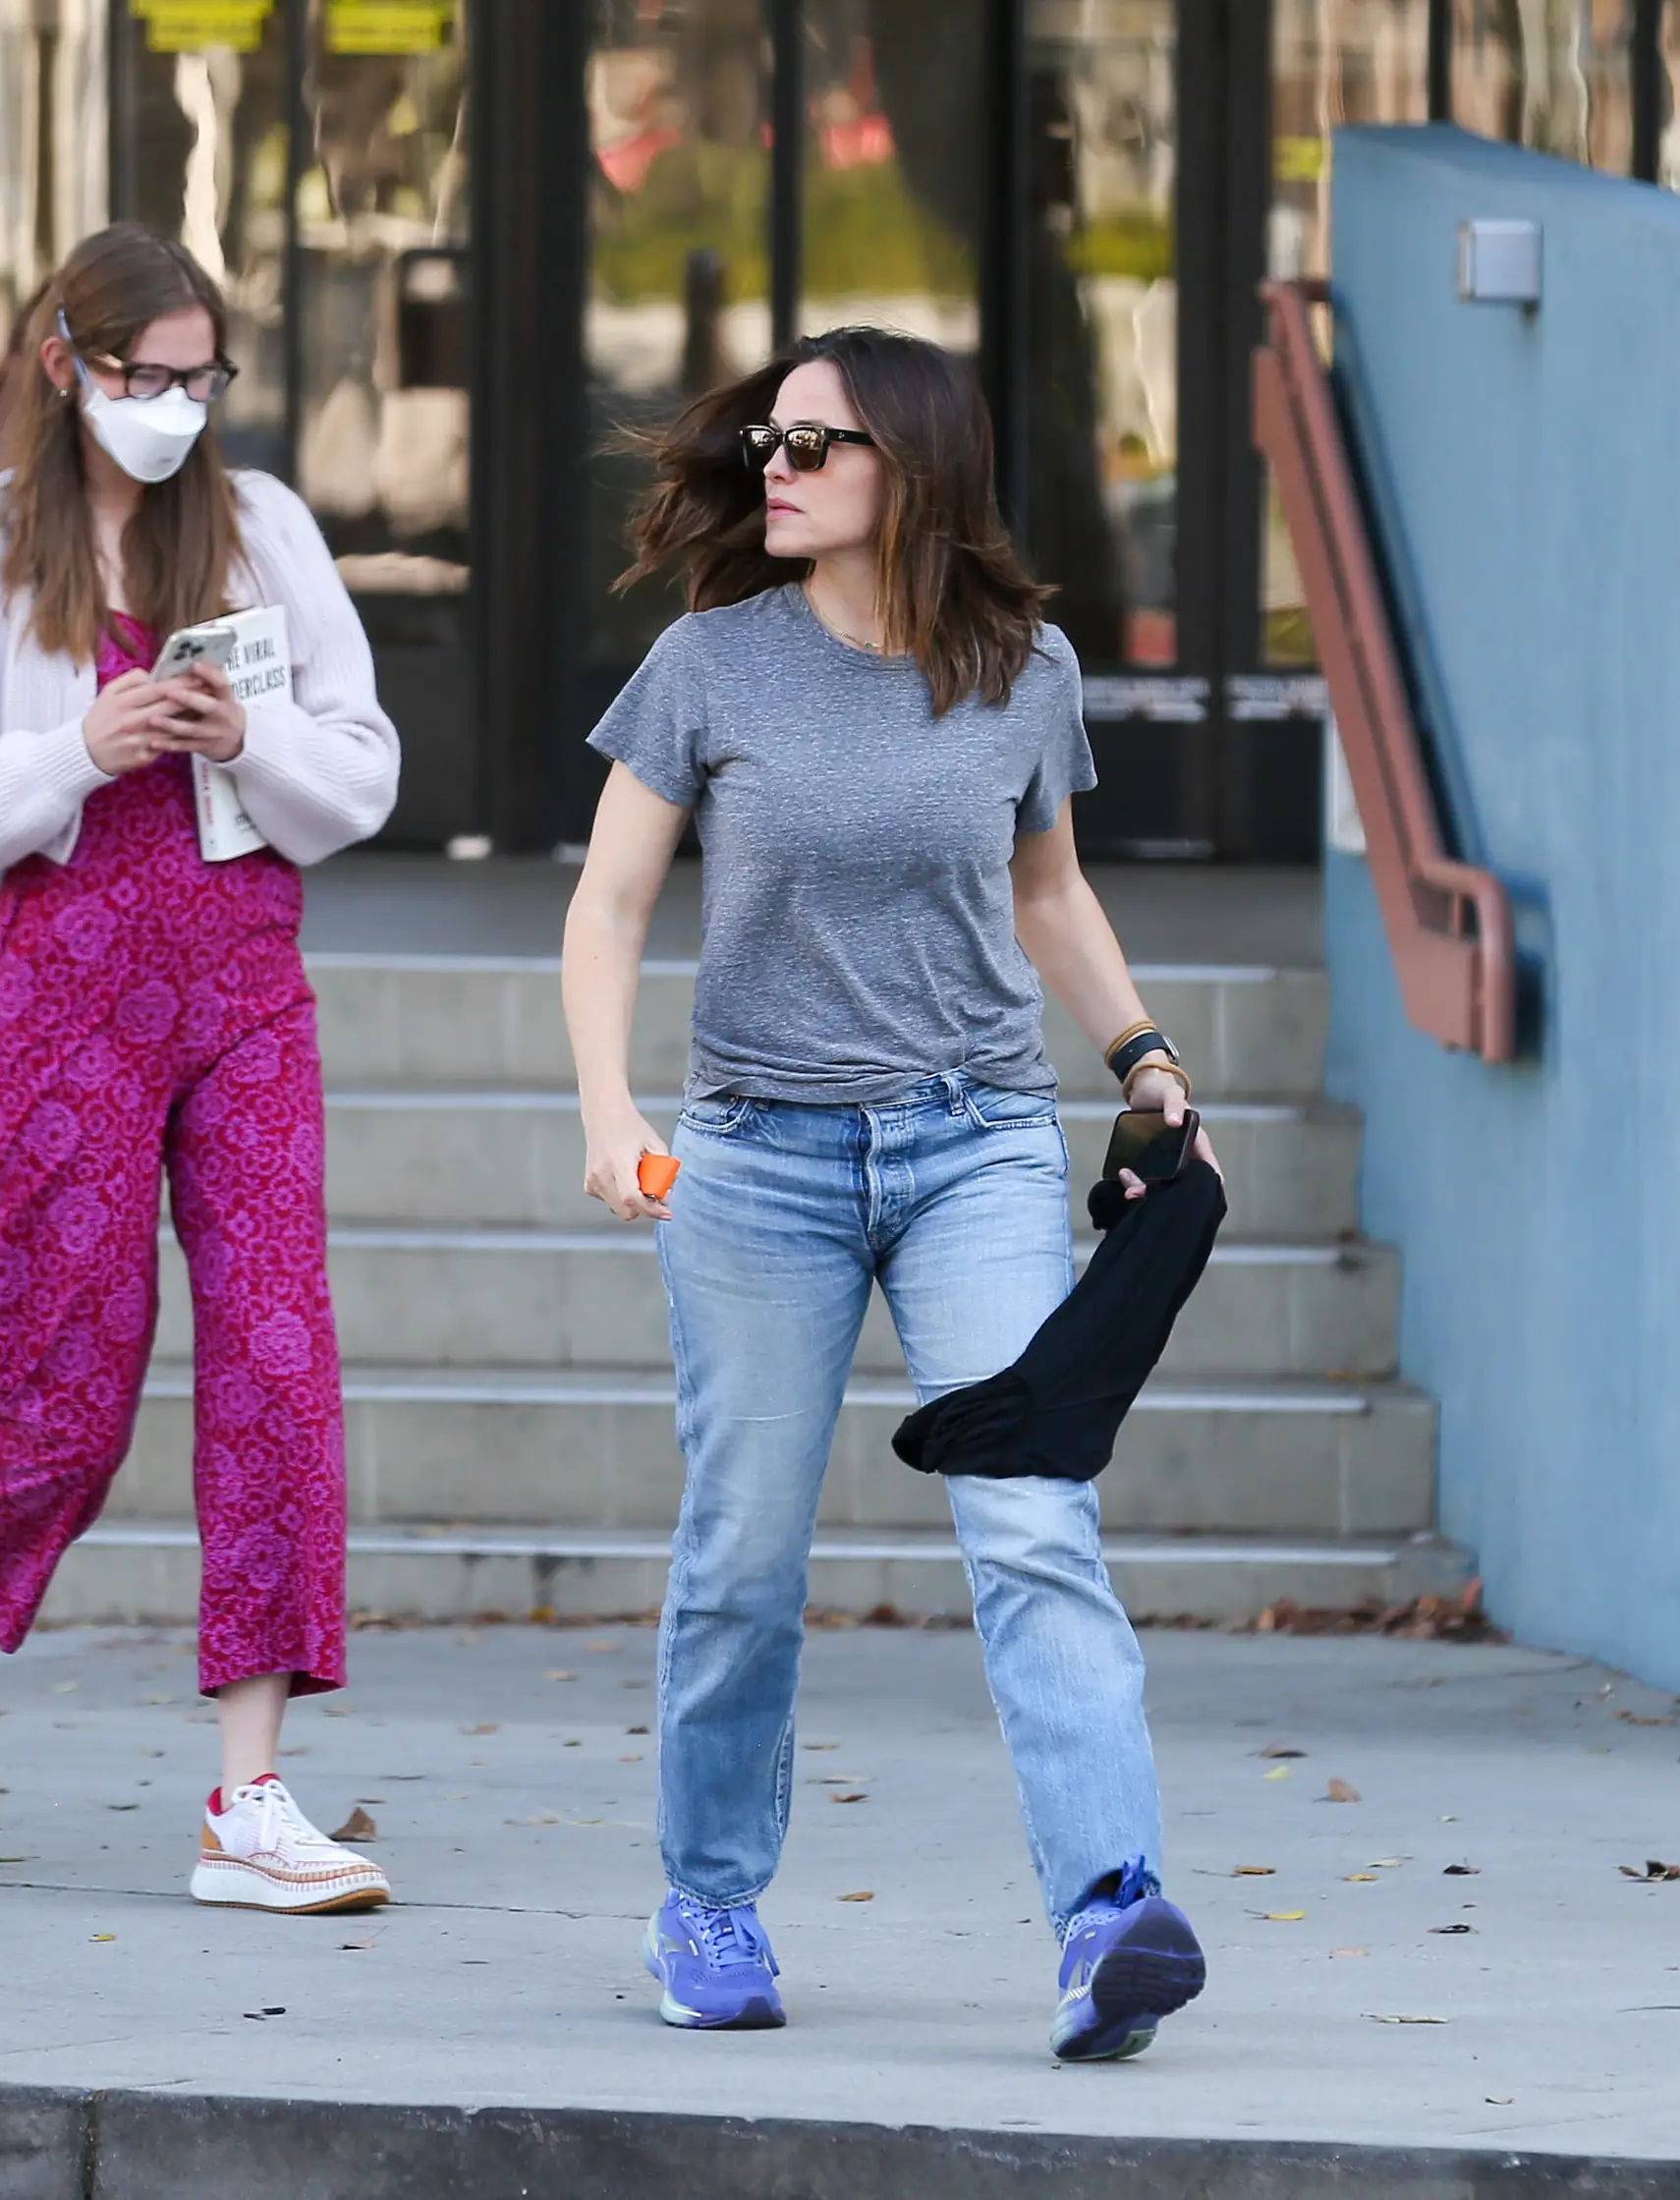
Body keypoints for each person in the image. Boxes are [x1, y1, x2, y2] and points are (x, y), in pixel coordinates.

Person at [560, 325, 1215, 2059]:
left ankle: (1109, 1915)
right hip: (758, 1154)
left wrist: (1144, 1056)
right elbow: (612, 905)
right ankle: (708, 1895)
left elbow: (1049, 893)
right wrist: (604, 1103)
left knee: (1032, 1518)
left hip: (973, 1141)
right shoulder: (711, 665)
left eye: (812, 444)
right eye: (766, 441)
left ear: (908, 471)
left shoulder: (1025, 667)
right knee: (742, 1555)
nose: (773, 467)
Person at [0, 224, 398, 1916]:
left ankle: (252, 1791)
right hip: (70, 986)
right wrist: (75, 745)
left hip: (243, 978)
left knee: (279, 1355)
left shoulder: (264, 526)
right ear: (67, 367)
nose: (172, 405)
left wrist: (253, 737)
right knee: (70, 1383)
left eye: (198, 377)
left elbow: (361, 769)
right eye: (143, 375)